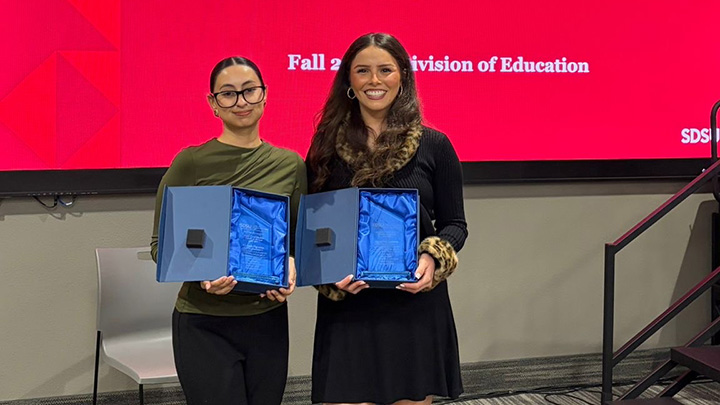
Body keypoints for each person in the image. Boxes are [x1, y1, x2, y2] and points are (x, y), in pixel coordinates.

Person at [306, 33, 468, 405]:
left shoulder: (435, 144)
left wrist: (432, 259)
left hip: (413, 303)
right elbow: (313, 226)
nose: (374, 81)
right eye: (363, 71)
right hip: (348, 304)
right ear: (349, 81)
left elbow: (455, 224)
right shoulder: (324, 148)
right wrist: (329, 274)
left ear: (403, 77)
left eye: (385, 70)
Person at [150, 56, 307, 405]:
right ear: (213, 103)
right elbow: (161, 247)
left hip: (267, 320)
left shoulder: (290, 165)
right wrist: (204, 274)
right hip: (203, 323)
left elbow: (298, 243)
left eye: (250, 91)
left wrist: (292, 264)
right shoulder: (190, 162)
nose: (241, 102)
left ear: (265, 96)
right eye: (228, 94)